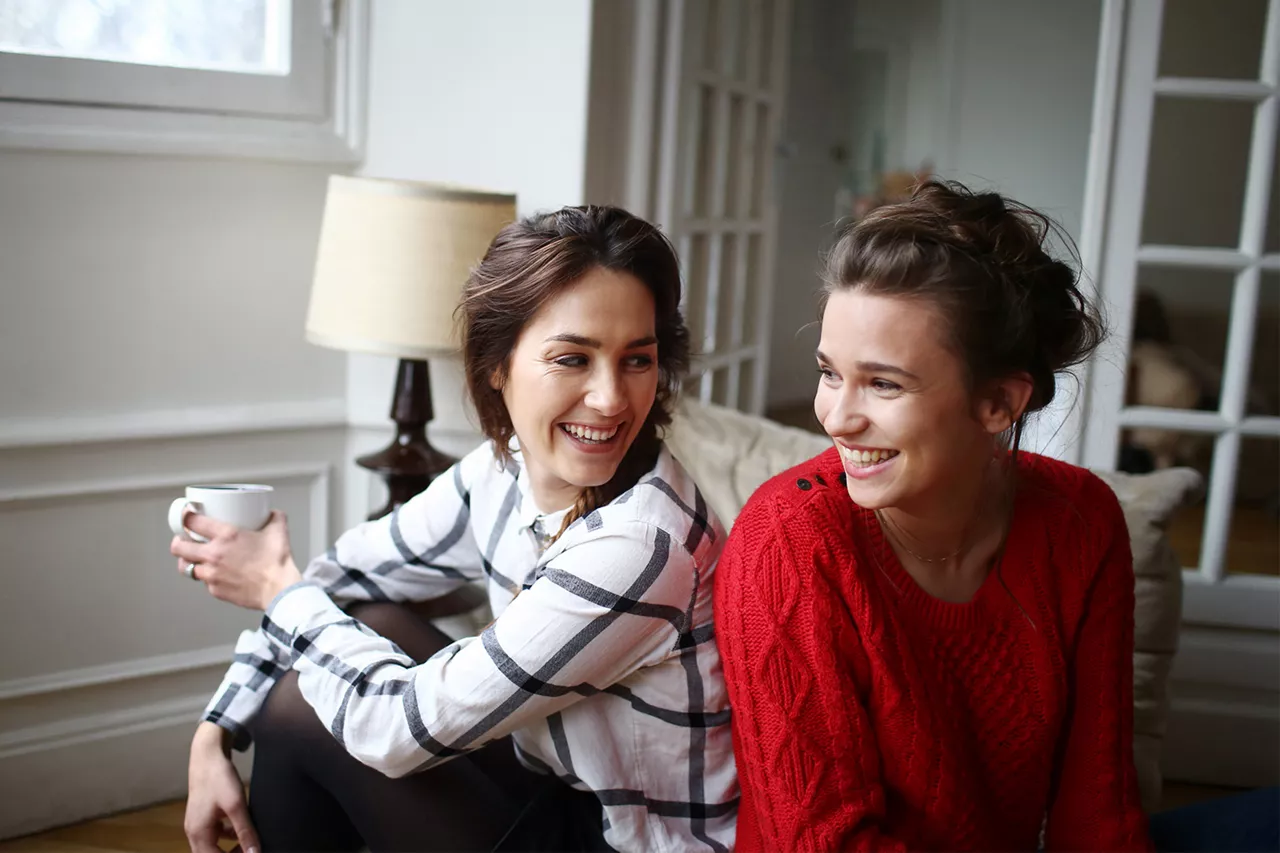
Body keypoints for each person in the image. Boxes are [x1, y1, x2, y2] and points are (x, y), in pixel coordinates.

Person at [171, 205, 737, 853]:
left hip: (630, 842)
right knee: (364, 616)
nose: (611, 398)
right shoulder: (504, 469)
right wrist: (213, 732)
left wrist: (275, 585)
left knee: (307, 705)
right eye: (573, 358)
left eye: (637, 359)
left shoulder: (642, 544)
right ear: (498, 365)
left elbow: (396, 728)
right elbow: (341, 575)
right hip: (563, 796)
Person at [714, 180, 1152, 851]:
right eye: (830, 373)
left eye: (883, 382)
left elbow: (1098, 805)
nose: (836, 415)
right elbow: (824, 843)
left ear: (1000, 402)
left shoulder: (1082, 522)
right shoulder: (789, 540)